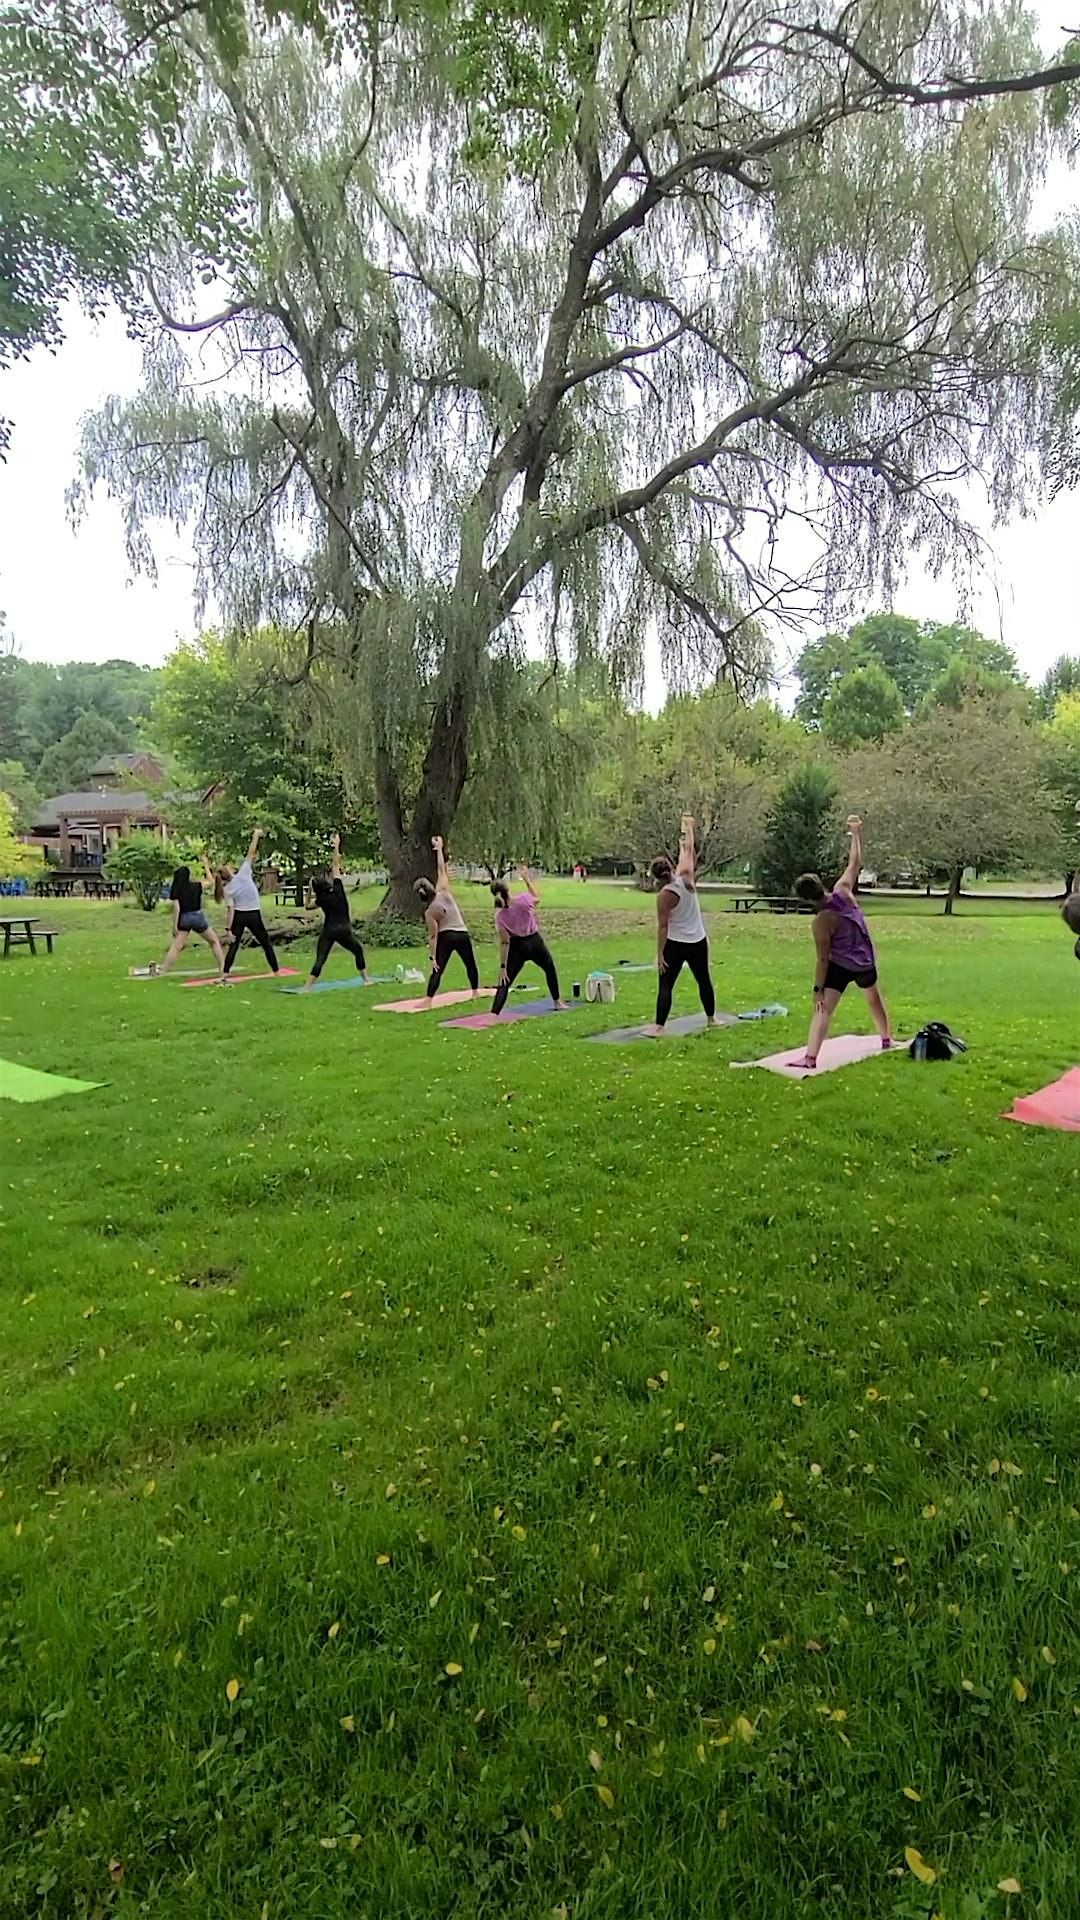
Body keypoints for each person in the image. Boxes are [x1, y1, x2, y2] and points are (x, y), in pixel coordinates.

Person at [792, 815, 893, 1068]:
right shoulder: (843, 890)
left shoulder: (821, 922)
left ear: (805, 900)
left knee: (823, 1008)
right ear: (820, 884)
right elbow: (855, 862)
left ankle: (810, 1058)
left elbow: (823, 958)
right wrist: (856, 833)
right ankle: (886, 1039)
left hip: (841, 965)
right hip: (865, 961)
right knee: (873, 998)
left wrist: (817, 990)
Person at [646, 814, 721, 1035]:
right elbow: (689, 852)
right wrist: (688, 829)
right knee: (703, 980)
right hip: (698, 940)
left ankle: (659, 1027)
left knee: (666, 984)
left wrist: (660, 954)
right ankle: (712, 1019)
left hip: (676, 944)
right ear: (671, 869)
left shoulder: (664, 896)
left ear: (656, 877)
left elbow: (662, 927)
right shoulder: (687, 878)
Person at [490, 864, 566, 1015]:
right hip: (534, 941)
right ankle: (557, 1002)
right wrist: (526, 879)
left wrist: (503, 967)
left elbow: (505, 942)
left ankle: (494, 1013)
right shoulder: (523, 900)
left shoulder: (499, 916)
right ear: (508, 890)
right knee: (549, 968)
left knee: (505, 981)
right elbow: (536, 898)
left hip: (517, 946)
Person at [415, 836, 481, 1005]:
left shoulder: (430, 912)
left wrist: (433, 958)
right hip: (461, 933)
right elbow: (441, 870)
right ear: (431, 887)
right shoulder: (444, 892)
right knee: (470, 963)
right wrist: (439, 849)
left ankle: (428, 1000)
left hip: (446, 936)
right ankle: (475, 992)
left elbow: (433, 936)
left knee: (438, 969)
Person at [303, 832, 367, 989]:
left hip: (329, 931)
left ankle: (307, 987)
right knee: (358, 950)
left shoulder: (321, 900)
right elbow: (335, 865)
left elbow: (307, 906)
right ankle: (366, 979)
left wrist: (310, 890)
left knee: (321, 958)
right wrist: (336, 845)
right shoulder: (338, 889)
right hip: (344, 929)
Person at [215, 826, 280, 978]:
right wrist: (256, 836)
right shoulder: (244, 873)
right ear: (229, 871)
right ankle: (276, 971)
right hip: (253, 914)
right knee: (265, 943)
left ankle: (224, 974)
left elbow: (230, 910)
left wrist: (228, 930)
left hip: (239, 916)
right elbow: (251, 853)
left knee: (234, 946)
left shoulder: (228, 889)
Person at [150, 861, 225, 976]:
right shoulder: (197, 885)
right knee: (214, 941)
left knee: (176, 946)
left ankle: (164, 970)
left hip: (185, 918)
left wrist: (175, 926)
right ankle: (222, 968)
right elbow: (211, 881)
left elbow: (177, 908)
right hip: (198, 916)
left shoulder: (176, 890)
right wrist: (206, 865)